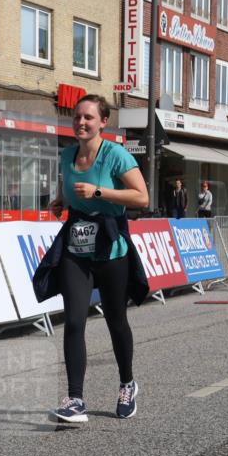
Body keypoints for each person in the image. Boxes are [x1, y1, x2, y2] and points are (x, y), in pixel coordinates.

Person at [33, 94, 150, 425]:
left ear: (103, 122)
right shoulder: (67, 155)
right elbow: (72, 190)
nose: (81, 123)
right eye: (76, 117)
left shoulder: (116, 155)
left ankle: (127, 384)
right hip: (76, 247)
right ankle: (75, 400)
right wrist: (61, 200)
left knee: (116, 321)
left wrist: (100, 193)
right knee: (73, 321)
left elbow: (142, 197)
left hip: (111, 248)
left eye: (88, 117)